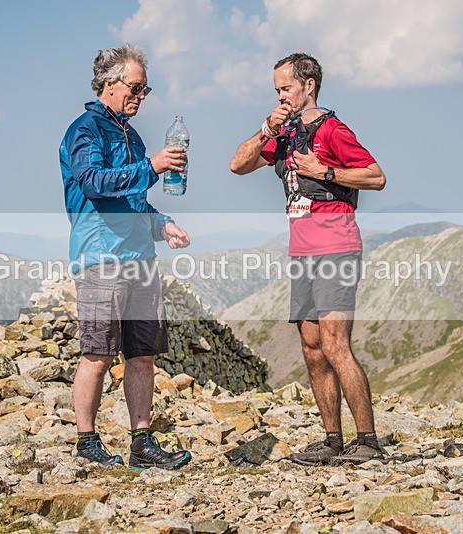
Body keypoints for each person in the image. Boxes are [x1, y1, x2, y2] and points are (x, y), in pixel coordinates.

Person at [229, 52, 386, 465]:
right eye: (276, 89)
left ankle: (368, 440)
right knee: (312, 348)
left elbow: (376, 176)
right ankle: (333, 439)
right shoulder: (284, 133)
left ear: (309, 85)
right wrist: (266, 128)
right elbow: (237, 165)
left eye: (286, 88)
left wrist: (325, 172)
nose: (280, 95)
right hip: (302, 252)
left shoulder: (333, 130)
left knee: (336, 345)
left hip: (336, 246)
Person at [59, 43, 192, 470]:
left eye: (145, 89)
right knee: (98, 353)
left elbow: (132, 199)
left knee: (142, 354)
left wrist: (161, 223)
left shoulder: (131, 135)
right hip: (100, 257)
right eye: (135, 87)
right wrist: (153, 166)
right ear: (109, 84)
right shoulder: (85, 130)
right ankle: (86, 442)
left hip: (140, 259)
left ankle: (141, 442)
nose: (140, 96)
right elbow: (96, 183)